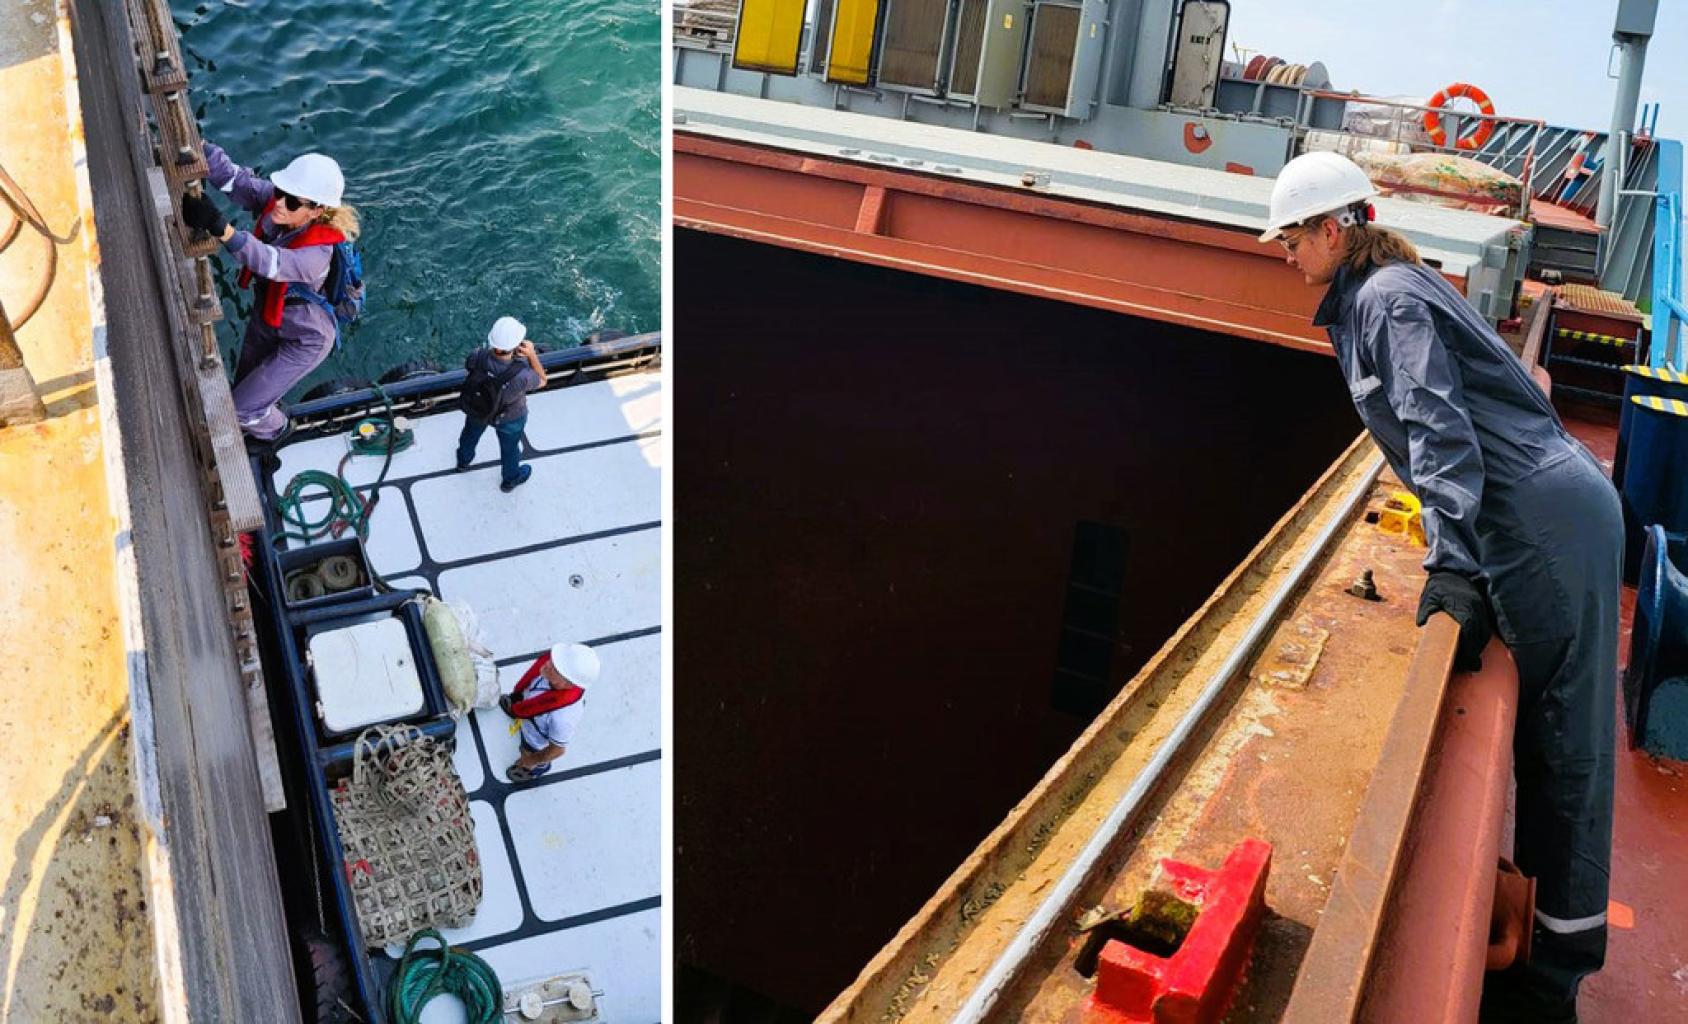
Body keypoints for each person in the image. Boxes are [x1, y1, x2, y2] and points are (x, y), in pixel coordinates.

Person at [1260, 151, 1622, 1023]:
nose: (1284, 255)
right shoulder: (1375, 295)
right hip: (1531, 518)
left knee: (1565, 746)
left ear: (1333, 228)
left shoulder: (1385, 300)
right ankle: (1545, 957)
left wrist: (1455, 564)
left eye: (1292, 237)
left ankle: (1551, 983)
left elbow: (1438, 428)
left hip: (1544, 523)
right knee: (1550, 735)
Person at [179, 143, 358, 445]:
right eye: (279, 192)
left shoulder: (317, 255)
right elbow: (237, 181)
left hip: (307, 337)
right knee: (246, 383)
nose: (279, 203)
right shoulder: (280, 205)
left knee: (240, 409)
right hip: (271, 316)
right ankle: (261, 406)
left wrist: (219, 227)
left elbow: (271, 261)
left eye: (291, 201)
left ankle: (278, 429)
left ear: (317, 210)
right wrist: (201, 149)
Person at [457, 316, 547, 492]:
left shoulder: (477, 356)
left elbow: (470, 365)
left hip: (480, 408)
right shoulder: (522, 375)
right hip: (509, 418)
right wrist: (531, 355)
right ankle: (510, 479)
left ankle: (463, 461)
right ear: (515, 346)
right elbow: (543, 380)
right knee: (510, 448)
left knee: (470, 434)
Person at [499, 642, 601, 782]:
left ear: (569, 684)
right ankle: (517, 709)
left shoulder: (563, 718)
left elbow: (557, 750)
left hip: (533, 741)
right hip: (528, 712)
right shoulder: (549, 674)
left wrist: (532, 760)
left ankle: (536, 768)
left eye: (556, 669)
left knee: (530, 755)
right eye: (553, 660)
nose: (547, 664)